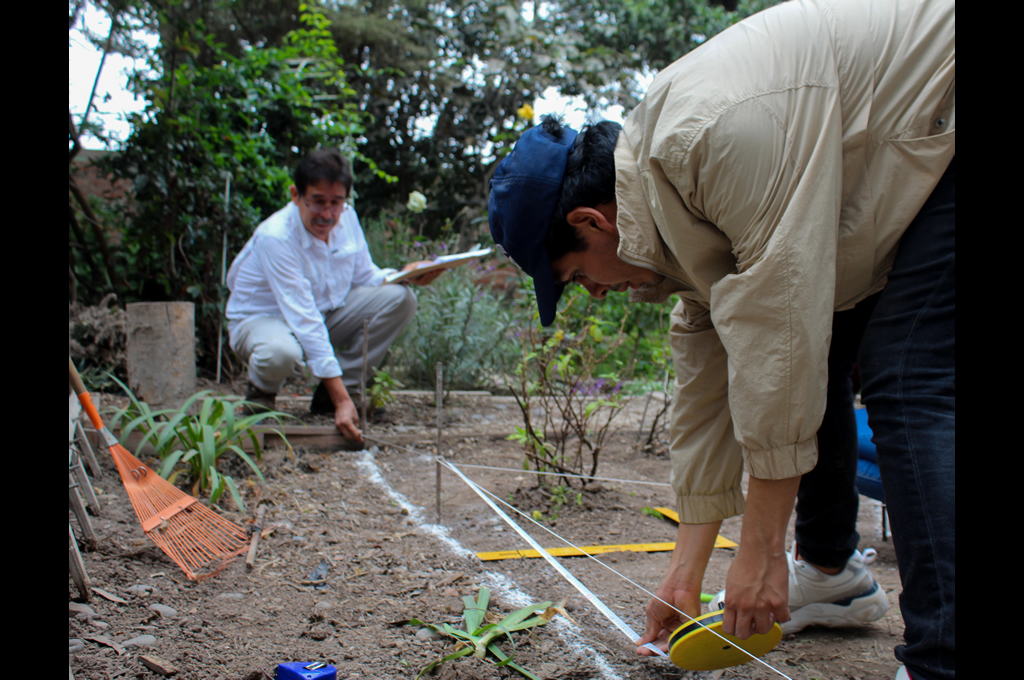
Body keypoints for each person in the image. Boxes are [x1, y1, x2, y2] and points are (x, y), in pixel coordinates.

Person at [487, 0, 954, 678]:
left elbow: (779, 339)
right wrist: (684, 573)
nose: (594, 293)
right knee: (815, 355)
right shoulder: (667, 213)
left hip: (942, 110)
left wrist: (760, 554)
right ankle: (830, 574)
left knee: (906, 375)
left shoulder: (706, 141)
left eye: (578, 275)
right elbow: (709, 392)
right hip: (901, 159)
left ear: (591, 220)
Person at [226, 150, 441, 442]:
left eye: (336, 203)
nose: (327, 214)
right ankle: (261, 395)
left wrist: (409, 273)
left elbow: (366, 276)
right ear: (295, 195)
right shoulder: (275, 237)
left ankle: (337, 395)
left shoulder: (347, 218)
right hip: (263, 320)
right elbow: (303, 318)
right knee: (281, 352)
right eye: (317, 202)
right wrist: (342, 399)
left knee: (400, 298)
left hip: (322, 314)